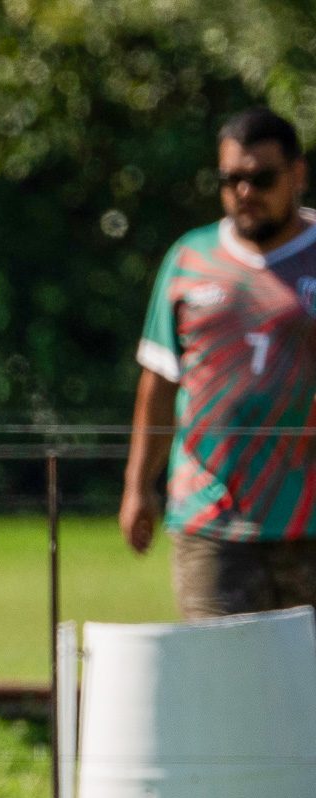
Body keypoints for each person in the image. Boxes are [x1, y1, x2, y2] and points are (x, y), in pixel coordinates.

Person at [122, 107, 316, 618]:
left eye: (261, 178)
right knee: (220, 682)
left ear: (298, 174)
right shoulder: (189, 258)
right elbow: (160, 382)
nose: (244, 193)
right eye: (231, 180)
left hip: (308, 518)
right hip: (209, 517)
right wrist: (138, 487)